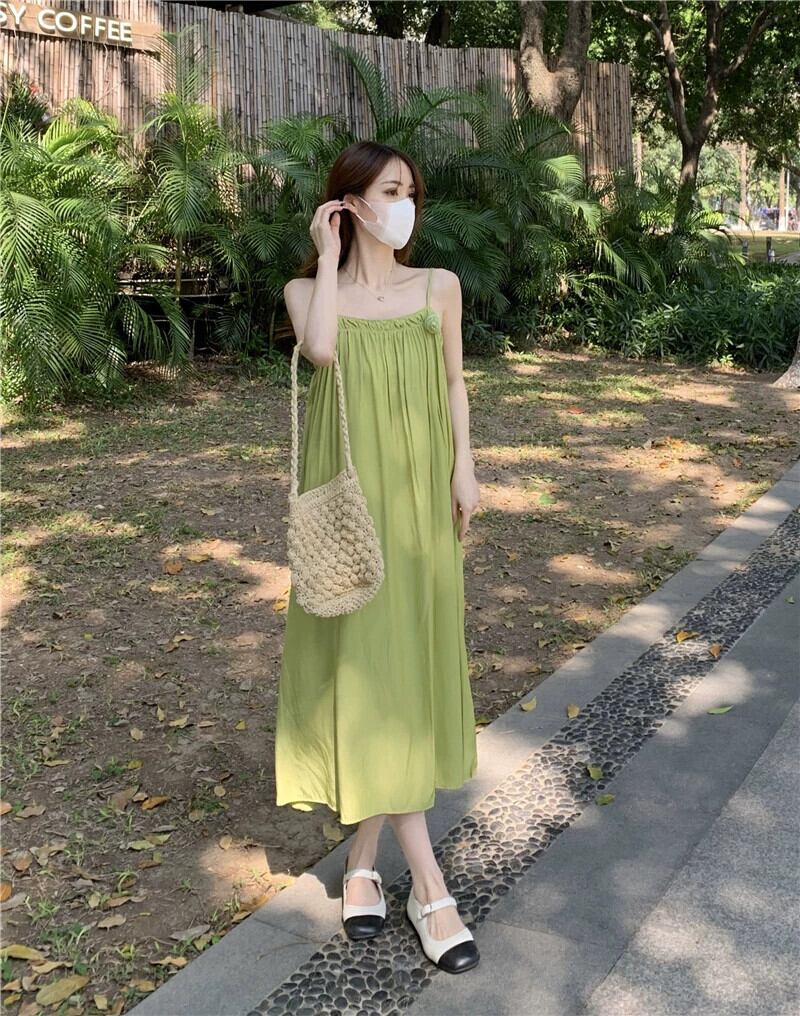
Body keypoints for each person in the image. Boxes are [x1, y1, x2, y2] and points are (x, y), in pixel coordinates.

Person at [276, 140, 481, 973]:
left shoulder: (439, 286)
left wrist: (466, 469)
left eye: (411, 192)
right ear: (349, 202)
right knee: (368, 664)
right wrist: (328, 258)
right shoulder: (306, 291)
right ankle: (431, 889)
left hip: (424, 496)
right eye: (390, 191)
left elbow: (455, 382)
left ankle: (361, 866)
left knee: (402, 666)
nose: (406, 206)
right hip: (354, 502)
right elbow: (323, 351)